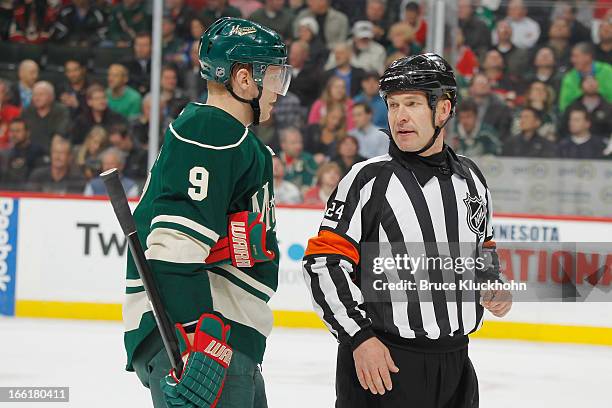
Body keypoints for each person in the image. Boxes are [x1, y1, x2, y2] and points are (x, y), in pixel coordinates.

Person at [302, 53, 511, 408]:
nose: (399, 116)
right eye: (393, 104)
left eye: (412, 103)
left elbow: (483, 246)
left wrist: (493, 282)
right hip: (384, 365)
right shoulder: (367, 179)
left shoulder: (472, 179)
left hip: (457, 367)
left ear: (443, 110)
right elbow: (323, 263)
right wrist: (359, 338)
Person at [127, 17, 291, 408]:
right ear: (243, 78)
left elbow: (207, 238)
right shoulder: (211, 130)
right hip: (206, 339)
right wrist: (197, 346)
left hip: (226, 338)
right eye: (272, 75)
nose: (278, 90)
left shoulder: (234, 140)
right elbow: (173, 245)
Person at [558, 42, 612, 112]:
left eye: (576, 56)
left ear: (588, 57)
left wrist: (594, 91)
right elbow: (564, 105)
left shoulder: (607, 71)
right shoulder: (569, 78)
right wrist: (585, 92)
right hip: (579, 117)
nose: (572, 60)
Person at [21, 81, 70, 150]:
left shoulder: (61, 111)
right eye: (34, 95)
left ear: (51, 96)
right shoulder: (27, 111)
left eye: (41, 95)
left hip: (52, 150)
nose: (37, 98)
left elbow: (61, 132)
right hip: (30, 152)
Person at [1, 118, 47, 187]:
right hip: (8, 192)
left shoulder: (38, 151)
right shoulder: (6, 154)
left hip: (30, 193)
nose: (14, 134)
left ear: (27, 133)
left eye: (18, 131)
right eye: (12, 131)